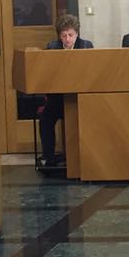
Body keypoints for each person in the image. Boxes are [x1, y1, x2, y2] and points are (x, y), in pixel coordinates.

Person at [37, 13, 93, 165]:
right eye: (64, 35)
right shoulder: (52, 47)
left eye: (70, 35)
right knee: (45, 120)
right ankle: (48, 156)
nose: (67, 39)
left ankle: (84, 158)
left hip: (79, 98)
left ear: (77, 34)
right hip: (58, 98)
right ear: (59, 36)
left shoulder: (86, 46)